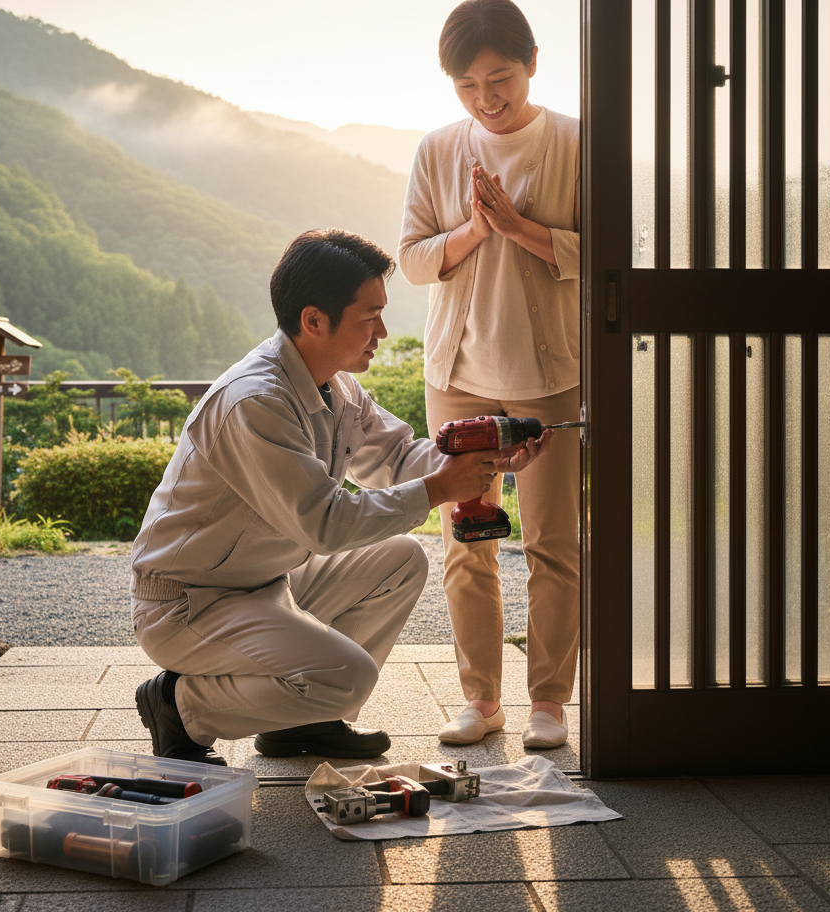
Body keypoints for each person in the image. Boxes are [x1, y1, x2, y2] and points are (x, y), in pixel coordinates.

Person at [129, 228, 550, 765]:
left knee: (401, 559)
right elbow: (324, 524)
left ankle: (301, 723)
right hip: (190, 601)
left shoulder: (337, 384)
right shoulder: (255, 402)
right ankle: (180, 706)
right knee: (349, 677)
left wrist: (486, 461)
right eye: (369, 316)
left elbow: (396, 460)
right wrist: (441, 488)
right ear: (314, 321)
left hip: (261, 582)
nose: (382, 330)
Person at [397, 0, 580, 750]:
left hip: (548, 374)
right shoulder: (439, 149)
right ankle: (481, 701)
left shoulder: (577, 142)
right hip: (458, 373)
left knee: (551, 542)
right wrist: (475, 230)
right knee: (468, 542)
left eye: (500, 79)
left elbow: (607, 256)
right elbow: (411, 260)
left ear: (533, 63)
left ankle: (548, 704)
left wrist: (520, 230)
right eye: (468, 87)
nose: (487, 99)